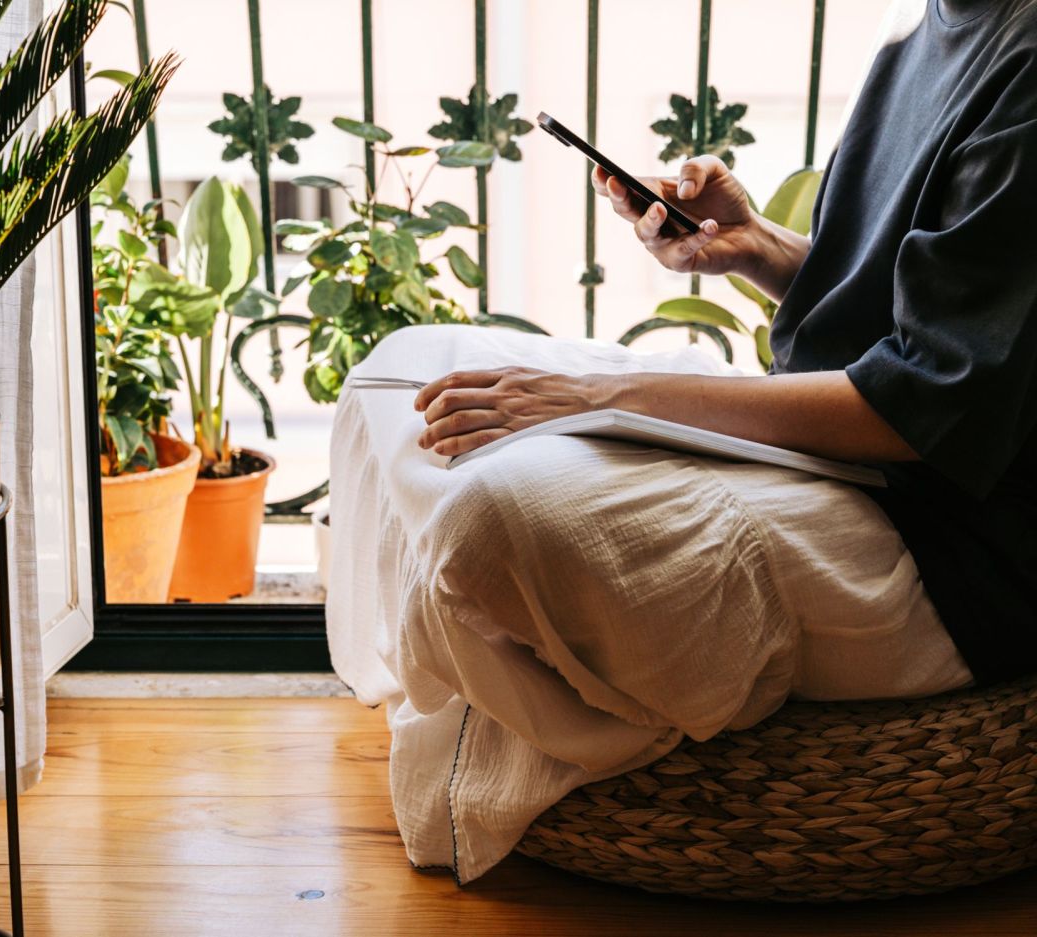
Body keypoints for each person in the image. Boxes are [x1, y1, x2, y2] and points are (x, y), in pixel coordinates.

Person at [411, 0, 1037, 688]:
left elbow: (927, 405)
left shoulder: (1024, 68)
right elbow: (913, 312)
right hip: (844, 462)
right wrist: (755, 245)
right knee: (409, 370)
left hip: (950, 545)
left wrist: (596, 399)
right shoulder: (920, 21)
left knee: (489, 522)